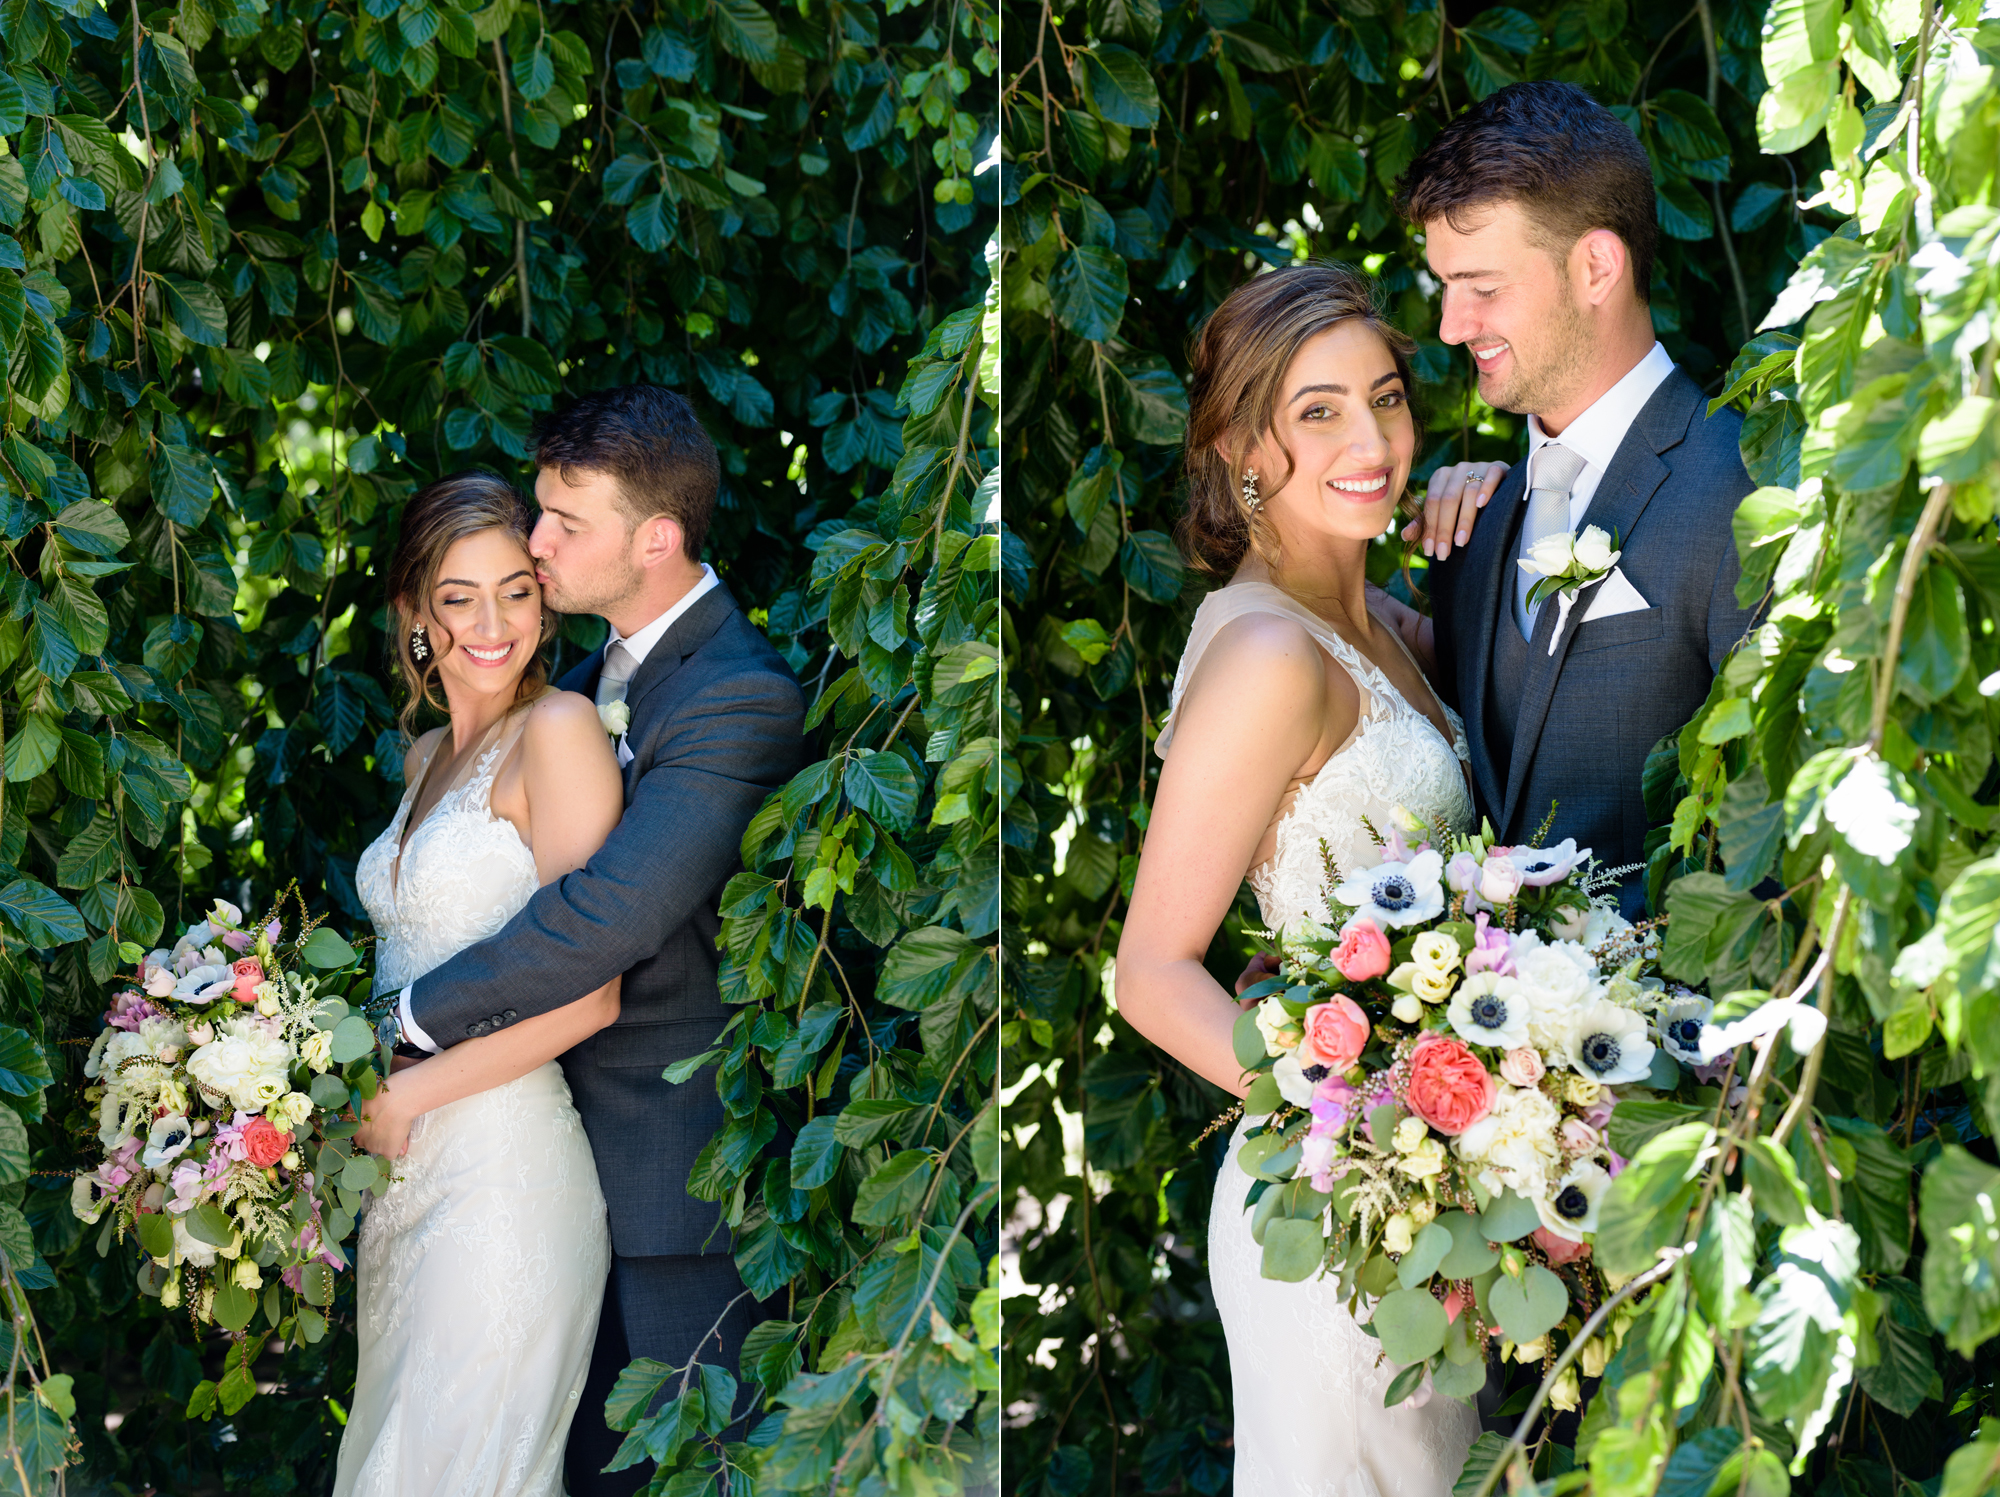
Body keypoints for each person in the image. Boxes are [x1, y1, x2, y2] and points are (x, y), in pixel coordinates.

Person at [367, 387, 808, 1497]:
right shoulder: (568, 690)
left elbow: (610, 912)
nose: (537, 539)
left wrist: (403, 1032)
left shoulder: (735, 695)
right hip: (518, 1167)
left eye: (563, 524)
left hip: (671, 1184)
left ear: (654, 538)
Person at [1116, 262, 1493, 1494]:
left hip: (1418, 1203)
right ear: (1239, 449)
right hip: (1340, 1207)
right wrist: (1364, 1143)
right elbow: (1150, 972)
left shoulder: (1374, 615)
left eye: (1383, 398)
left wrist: (1489, 502)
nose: (1371, 439)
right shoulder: (1270, 652)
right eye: (1317, 411)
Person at [1397, 80, 1759, 914]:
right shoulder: (1474, 524)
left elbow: (1773, 838)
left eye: (1482, 287)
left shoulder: (1742, 485)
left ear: (1597, 266)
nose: (1452, 326)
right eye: (1444, 287)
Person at [340, 470, 622, 1495]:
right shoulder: (423, 760)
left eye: (516, 588)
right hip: (400, 1181)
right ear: (415, 614)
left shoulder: (559, 732)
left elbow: (591, 992)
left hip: (504, 1179)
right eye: (459, 597)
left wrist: (411, 1088)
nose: (493, 622)